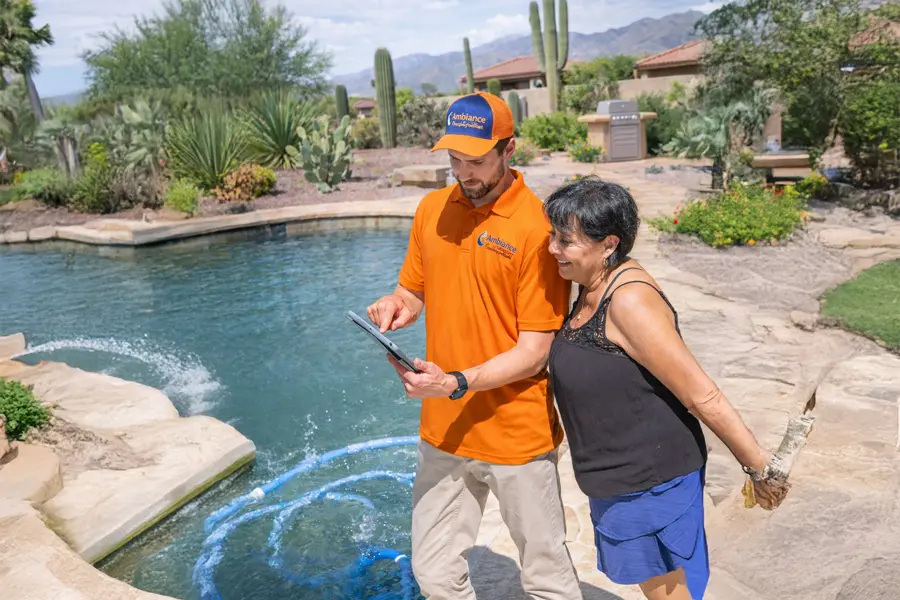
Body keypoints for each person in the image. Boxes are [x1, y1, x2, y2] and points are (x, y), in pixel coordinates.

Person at [366, 91, 583, 600]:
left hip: (515, 432)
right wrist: (396, 306)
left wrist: (457, 382)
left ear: (509, 150)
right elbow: (413, 290)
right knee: (434, 572)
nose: (463, 171)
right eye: (454, 158)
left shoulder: (536, 229)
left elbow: (535, 350)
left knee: (547, 576)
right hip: (443, 428)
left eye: (477, 160)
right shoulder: (431, 210)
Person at [542, 176, 791, 600]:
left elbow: (701, 394)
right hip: (620, 480)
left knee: (669, 595)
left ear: (608, 245)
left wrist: (759, 466)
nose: (552, 248)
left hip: (651, 483)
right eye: (553, 236)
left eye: (566, 240)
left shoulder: (629, 300)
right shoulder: (592, 285)